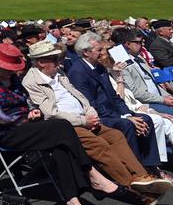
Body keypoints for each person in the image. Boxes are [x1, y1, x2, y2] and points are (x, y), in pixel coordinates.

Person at [0, 42, 125, 205]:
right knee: (61, 126)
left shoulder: (13, 80)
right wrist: (26, 117)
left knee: (60, 145)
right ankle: (91, 173)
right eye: (8, 68)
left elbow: (27, 101)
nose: (12, 71)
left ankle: (72, 201)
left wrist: (34, 111)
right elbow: (0, 117)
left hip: (29, 126)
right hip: (8, 133)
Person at [23, 39, 170, 205]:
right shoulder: (32, 81)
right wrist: (83, 120)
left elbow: (79, 95)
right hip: (66, 125)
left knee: (115, 136)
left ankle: (141, 176)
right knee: (100, 145)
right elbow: (51, 113)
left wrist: (90, 112)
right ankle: (134, 188)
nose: (60, 62)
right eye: (55, 59)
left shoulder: (59, 74)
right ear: (41, 62)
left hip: (86, 118)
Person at [67, 32, 162, 168]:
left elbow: (114, 96)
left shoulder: (99, 67)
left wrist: (128, 114)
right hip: (101, 116)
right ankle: (136, 169)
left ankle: (150, 166)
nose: (102, 53)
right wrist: (124, 118)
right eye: (99, 50)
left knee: (146, 120)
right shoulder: (77, 72)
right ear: (86, 52)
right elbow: (91, 104)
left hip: (114, 112)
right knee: (127, 125)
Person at [114, 27, 173, 116]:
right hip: (146, 103)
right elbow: (135, 92)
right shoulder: (122, 63)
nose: (142, 45)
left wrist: (168, 97)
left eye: (142, 42)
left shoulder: (139, 58)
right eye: (138, 43)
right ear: (127, 44)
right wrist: (163, 100)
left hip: (159, 97)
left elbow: (154, 83)